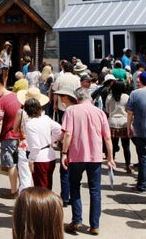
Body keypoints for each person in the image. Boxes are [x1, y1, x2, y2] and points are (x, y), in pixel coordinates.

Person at [61, 87, 115, 236]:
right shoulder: (100, 113)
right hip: (95, 156)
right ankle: (94, 225)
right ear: (90, 98)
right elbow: (108, 138)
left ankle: (77, 219)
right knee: (95, 190)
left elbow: (68, 134)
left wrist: (64, 153)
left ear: (77, 98)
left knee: (74, 186)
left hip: (77, 155)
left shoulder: (71, 111)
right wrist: (110, 157)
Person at [21, 91, 60, 189]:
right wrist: (51, 140)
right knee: (47, 185)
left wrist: (31, 160)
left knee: (40, 189)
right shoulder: (45, 118)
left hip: (39, 158)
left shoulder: (30, 124)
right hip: (49, 155)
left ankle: (44, 205)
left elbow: (35, 146)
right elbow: (59, 130)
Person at [0, 82, 22, 198]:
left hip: (8, 136)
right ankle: (21, 187)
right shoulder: (18, 97)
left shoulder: (1, 102)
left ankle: (13, 191)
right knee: (20, 164)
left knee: (11, 164)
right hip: (21, 136)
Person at [104, 79, 132, 174]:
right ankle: (128, 165)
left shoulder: (109, 97)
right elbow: (129, 110)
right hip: (124, 123)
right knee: (126, 146)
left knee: (112, 145)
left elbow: (107, 110)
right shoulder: (127, 97)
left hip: (112, 123)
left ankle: (111, 163)